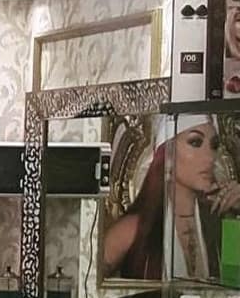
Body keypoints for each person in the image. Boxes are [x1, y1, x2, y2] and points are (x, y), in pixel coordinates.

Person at [102, 116, 240, 279]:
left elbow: (233, 281)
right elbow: (88, 282)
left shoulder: (219, 222)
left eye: (214, 146)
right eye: (195, 142)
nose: (210, 157)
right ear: (167, 154)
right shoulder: (134, 229)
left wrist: (234, 218)